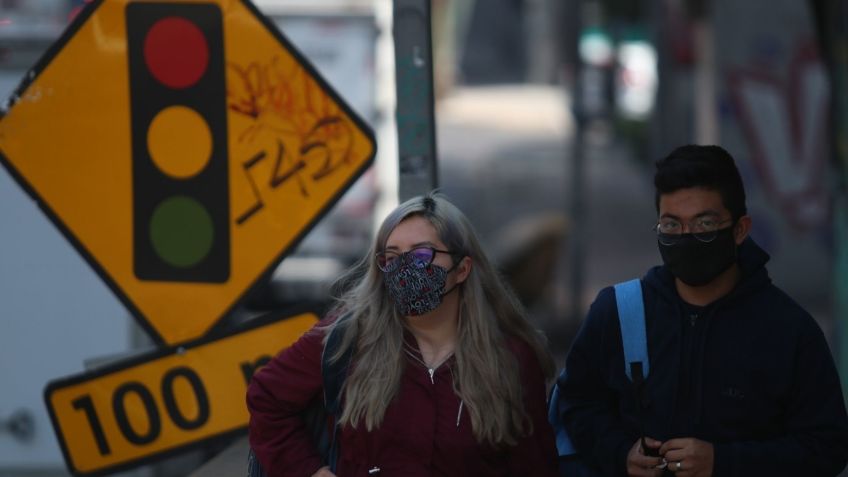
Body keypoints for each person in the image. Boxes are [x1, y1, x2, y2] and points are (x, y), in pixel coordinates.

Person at [553, 145, 848, 476]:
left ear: (740, 230)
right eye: (672, 225)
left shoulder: (788, 330)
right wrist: (620, 452)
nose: (686, 237)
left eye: (705, 224)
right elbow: (577, 404)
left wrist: (722, 462)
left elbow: (828, 447)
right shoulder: (618, 314)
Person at [248, 192, 559, 477]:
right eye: (392, 257)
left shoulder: (510, 356)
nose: (405, 269)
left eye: (422, 255)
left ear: (462, 269)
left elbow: (533, 464)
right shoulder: (348, 338)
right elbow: (267, 397)